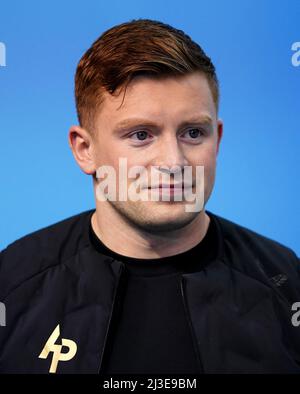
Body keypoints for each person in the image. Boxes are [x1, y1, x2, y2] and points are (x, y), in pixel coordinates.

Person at [0, 18, 299, 374]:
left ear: (217, 140)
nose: (173, 162)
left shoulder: (286, 282)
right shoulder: (12, 284)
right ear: (84, 150)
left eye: (193, 132)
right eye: (141, 135)